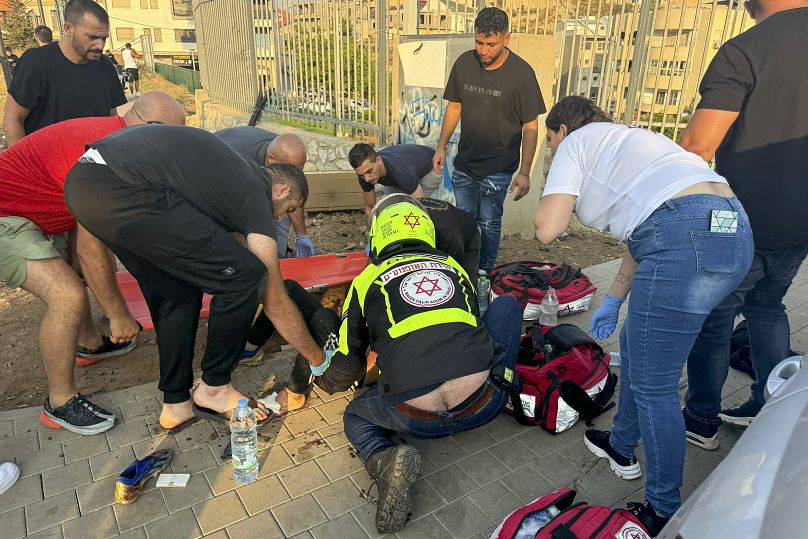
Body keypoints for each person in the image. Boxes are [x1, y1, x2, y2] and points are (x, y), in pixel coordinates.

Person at [533, 96, 753, 534]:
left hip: (684, 240)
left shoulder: (577, 143)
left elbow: (546, 229)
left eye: (551, 144)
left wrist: (543, 186)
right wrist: (615, 298)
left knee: (654, 385)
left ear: (560, 130)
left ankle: (662, 509)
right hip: (734, 230)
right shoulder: (637, 140)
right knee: (638, 347)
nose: (554, 152)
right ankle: (620, 445)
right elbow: (650, 218)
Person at [63, 126, 327, 432]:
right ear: (282, 190)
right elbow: (274, 296)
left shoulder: (228, 179)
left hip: (87, 186)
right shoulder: (256, 189)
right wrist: (316, 358)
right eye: (289, 210)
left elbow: (223, 248)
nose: (281, 219)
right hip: (124, 185)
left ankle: (176, 404)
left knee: (176, 292)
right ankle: (214, 388)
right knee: (246, 278)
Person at [0, 91, 186, 434]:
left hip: (42, 210)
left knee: (74, 272)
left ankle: (88, 343)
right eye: (171, 139)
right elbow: (92, 248)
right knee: (66, 295)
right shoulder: (104, 156)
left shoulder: (116, 136)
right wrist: (118, 315)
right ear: (151, 128)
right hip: (6, 217)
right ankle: (60, 403)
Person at [336, 198, 523, 533]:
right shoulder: (455, 268)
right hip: (484, 404)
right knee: (507, 304)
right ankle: (507, 383)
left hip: (414, 420)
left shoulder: (366, 281)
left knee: (355, 415)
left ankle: (383, 458)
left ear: (378, 235)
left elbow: (347, 365)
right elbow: (467, 325)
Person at [679, 0, 808, 441]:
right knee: (768, 305)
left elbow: (697, 148)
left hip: (742, 221)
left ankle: (700, 420)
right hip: (800, 222)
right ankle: (773, 408)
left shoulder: (747, 50)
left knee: (714, 319)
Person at [269, 193, 482, 414]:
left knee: (323, 319)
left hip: (366, 366)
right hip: (435, 368)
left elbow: (345, 369)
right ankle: (252, 349)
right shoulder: (454, 271)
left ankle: (294, 392)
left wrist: (323, 373)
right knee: (291, 290)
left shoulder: (368, 280)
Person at [432, 7, 544, 277]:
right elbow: (455, 107)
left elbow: (530, 127)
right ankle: (463, 271)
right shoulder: (463, 63)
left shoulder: (523, 75)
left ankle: (483, 274)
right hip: (465, 163)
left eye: (490, 44)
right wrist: (441, 145)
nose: (483, 50)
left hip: (499, 166)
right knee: (463, 220)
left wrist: (525, 172)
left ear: (507, 39)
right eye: (479, 42)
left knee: (489, 222)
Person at [3, 0, 126, 146]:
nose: (100, 45)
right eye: (92, 37)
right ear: (68, 29)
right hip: (45, 163)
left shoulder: (105, 65)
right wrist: (24, 165)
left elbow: (111, 120)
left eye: (104, 38)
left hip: (93, 165)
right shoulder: (36, 63)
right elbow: (13, 120)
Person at [215, 126, 314, 259]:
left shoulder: (285, 152)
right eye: (292, 171)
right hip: (216, 176)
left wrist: (301, 235)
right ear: (271, 160)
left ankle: (278, 259)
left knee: (283, 203)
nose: (296, 174)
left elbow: (294, 192)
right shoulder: (239, 164)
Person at [348, 142, 442, 223]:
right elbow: (369, 207)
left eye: (370, 171)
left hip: (431, 166)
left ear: (379, 161)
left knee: (411, 209)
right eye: (361, 174)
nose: (367, 179)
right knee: (389, 209)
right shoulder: (363, 174)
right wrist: (371, 237)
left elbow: (419, 205)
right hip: (407, 168)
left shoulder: (401, 170)